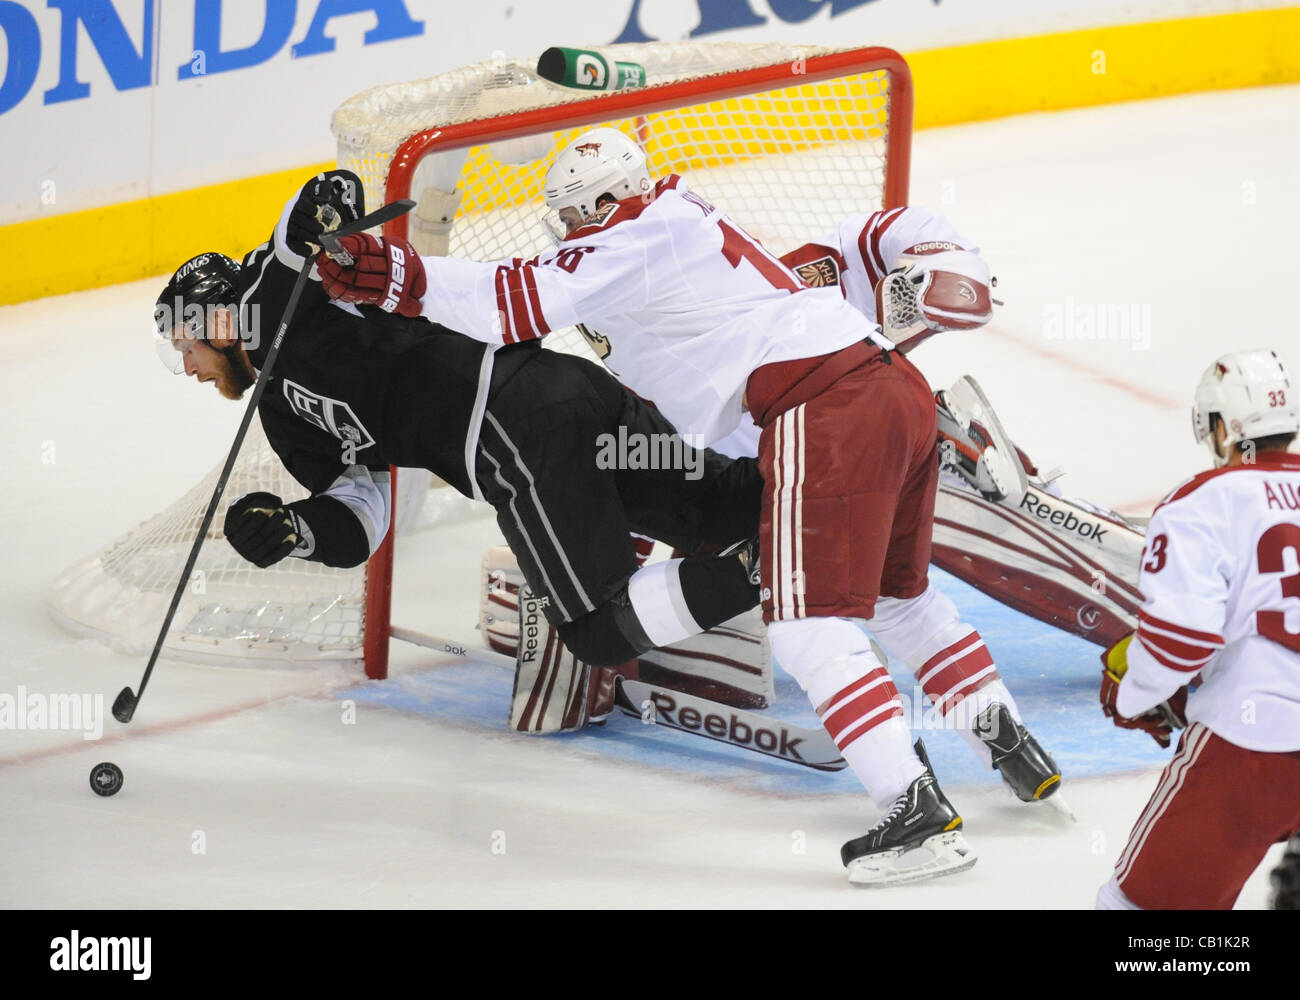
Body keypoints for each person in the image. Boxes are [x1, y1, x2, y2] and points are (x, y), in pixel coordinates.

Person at [317, 127, 1061, 884]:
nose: (568, 232)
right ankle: (1008, 742)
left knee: (803, 621)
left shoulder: (636, 232)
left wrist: (394, 274)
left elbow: (515, 302)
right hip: (890, 391)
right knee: (899, 599)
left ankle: (915, 812)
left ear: (605, 200)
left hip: (824, 407)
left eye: (574, 214)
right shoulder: (682, 225)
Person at [154, 170, 766, 708]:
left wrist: (325, 215)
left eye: (186, 345)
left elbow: (324, 193)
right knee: (724, 510)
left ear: (219, 322)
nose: (187, 368)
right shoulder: (285, 416)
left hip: (517, 435)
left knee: (599, 629)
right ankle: (828, 505)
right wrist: (294, 530)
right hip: (572, 395)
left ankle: (760, 572)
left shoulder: (282, 286)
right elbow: (363, 518)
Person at [1096, 348, 1300, 910]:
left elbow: (1179, 640)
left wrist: (1135, 692)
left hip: (1250, 748)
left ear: (1222, 428)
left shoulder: (1204, 500)